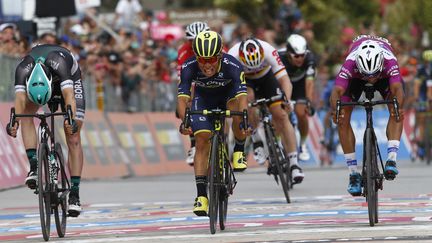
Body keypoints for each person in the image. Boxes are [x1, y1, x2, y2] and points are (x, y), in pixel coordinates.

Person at [6, 44, 86, 217]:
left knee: (73, 136)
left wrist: (70, 120)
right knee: (26, 115)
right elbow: (19, 100)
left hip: (69, 80)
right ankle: (34, 166)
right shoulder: (22, 68)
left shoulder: (60, 64)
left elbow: (69, 96)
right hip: (39, 83)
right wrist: (15, 122)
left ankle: (74, 194)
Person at [177, 30, 249, 216]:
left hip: (229, 96)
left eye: (211, 60)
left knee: (238, 113)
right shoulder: (189, 66)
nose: (207, 65)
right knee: (201, 140)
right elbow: (183, 99)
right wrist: (185, 120)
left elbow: (242, 98)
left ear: (219, 55)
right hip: (203, 99)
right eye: (202, 60)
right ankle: (202, 196)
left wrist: (243, 118)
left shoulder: (232, 65)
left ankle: (239, 149)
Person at [330, 35, 405, 196]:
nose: (371, 79)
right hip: (356, 79)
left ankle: (391, 159)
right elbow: (337, 91)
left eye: (373, 75)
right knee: (342, 118)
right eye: (367, 75)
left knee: (396, 109)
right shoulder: (351, 62)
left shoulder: (389, 60)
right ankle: (353, 174)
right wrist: (335, 111)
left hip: (384, 78)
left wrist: (397, 107)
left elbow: (397, 88)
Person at [228, 37, 305, 183]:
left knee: (281, 115)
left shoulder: (269, 50)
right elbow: (232, 89)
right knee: (248, 101)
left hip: (267, 77)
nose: (254, 68)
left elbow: (285, 80)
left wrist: (286, 100)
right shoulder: (232, 56)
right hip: (245, 80)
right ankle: (256, 140)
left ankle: (294, 163)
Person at [279, 34, 317, 161]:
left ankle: (303, 144)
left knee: (301, 112)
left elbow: (310, 82)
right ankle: (277, 144)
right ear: (289, 53)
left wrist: (308, 101)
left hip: (300, 87)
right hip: (283, 85)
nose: (300, 58)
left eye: (302, 55)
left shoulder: (310, 58)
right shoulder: (279, 58)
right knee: (278, 112)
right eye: (296, 56)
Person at [177, 21, 210, 166]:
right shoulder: (184, 51)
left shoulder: (217, 45)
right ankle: (193, 144)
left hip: (214, 80)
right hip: (195, 81)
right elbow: (184, 79)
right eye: (192, 41)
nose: (196, 44)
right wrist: (186, 100)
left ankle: (224, 140)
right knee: (185, 104)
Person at [413, 49, 432, 158]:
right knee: (421, 118)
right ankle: (421, 143)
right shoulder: (421, 70)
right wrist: (417, 98)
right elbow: (416, 85)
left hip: (430, 91)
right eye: (427, 61)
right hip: (423, 93)